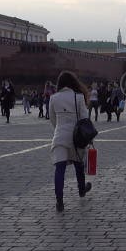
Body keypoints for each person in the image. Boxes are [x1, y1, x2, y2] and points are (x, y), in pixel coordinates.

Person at [48, 71, 92, 212]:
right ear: (73, 82)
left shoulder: (53, 98)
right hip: (75, 137)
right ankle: (81, 190)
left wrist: (59, 130)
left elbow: (52, 119)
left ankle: (59, 201)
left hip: (59, 136)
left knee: (59, 169)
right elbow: (84, 118)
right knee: (78, 165)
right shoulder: (78, 97)